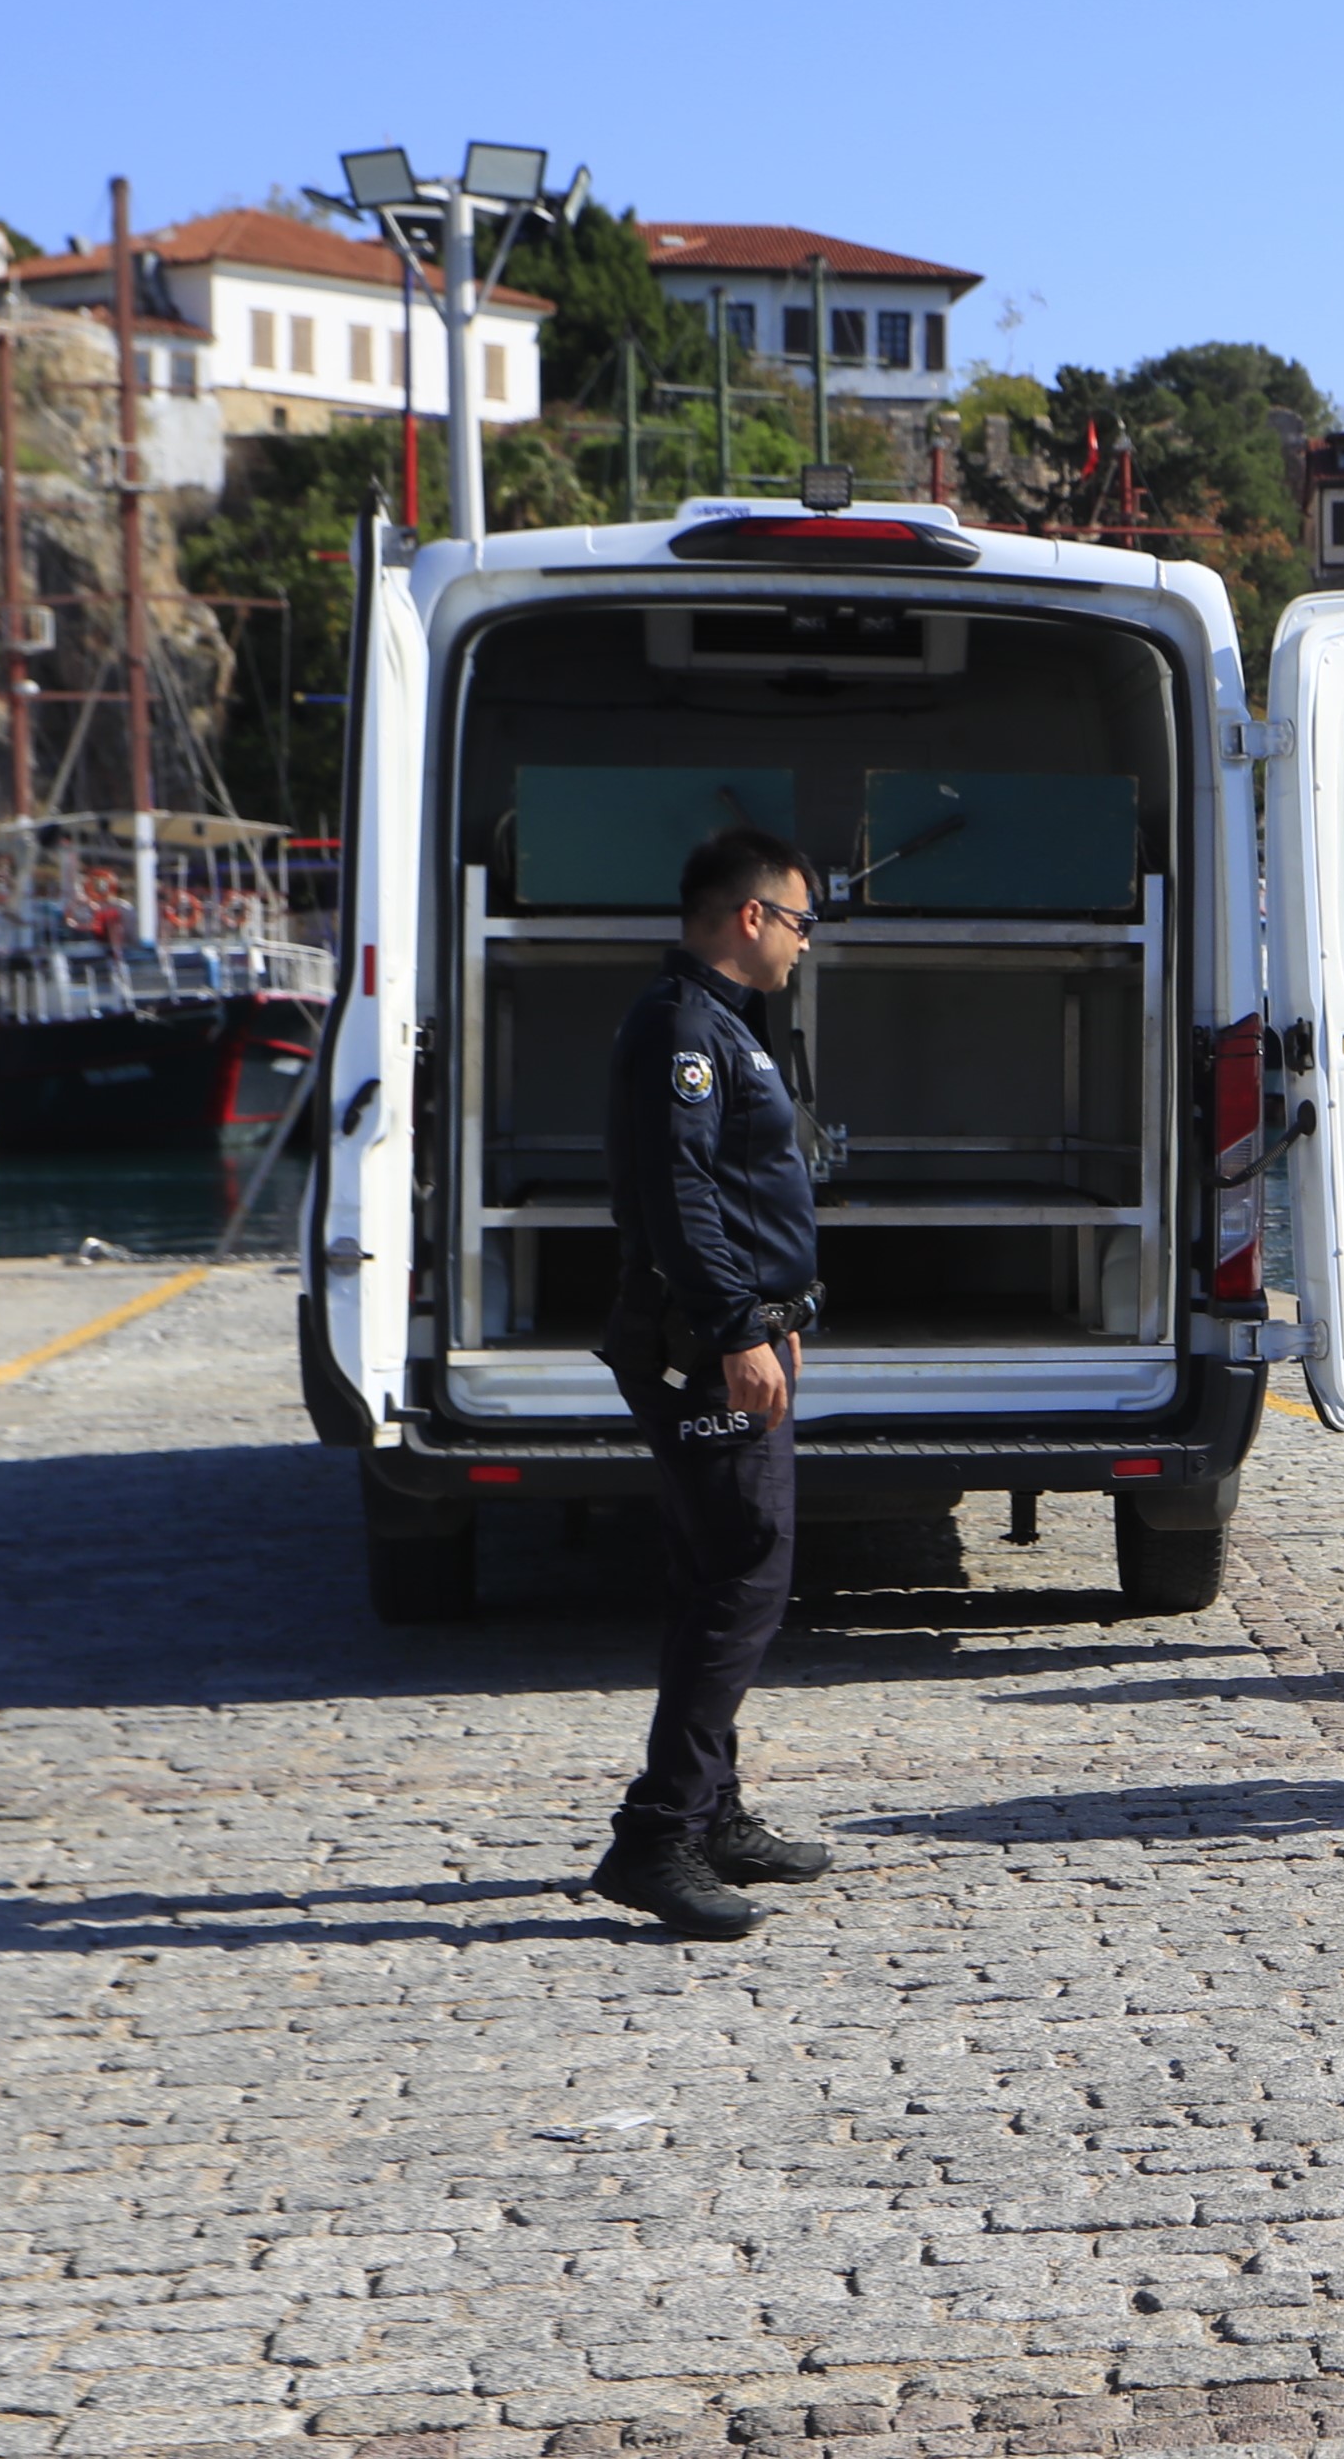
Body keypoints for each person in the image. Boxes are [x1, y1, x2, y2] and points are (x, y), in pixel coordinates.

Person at [586, 828, 840, 1939]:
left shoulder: (716, 1026)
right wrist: (738, 1327)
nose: (802, 942)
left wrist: (780, 1318)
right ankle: (659, 1833)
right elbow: (684, 1195)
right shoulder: (687, 1030)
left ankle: (716, 1811)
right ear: (751, 916)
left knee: (712, 1573)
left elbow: (735, 1196)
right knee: (745, 1571)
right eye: (799, 920)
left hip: (731, 1333)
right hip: (698, 1343)